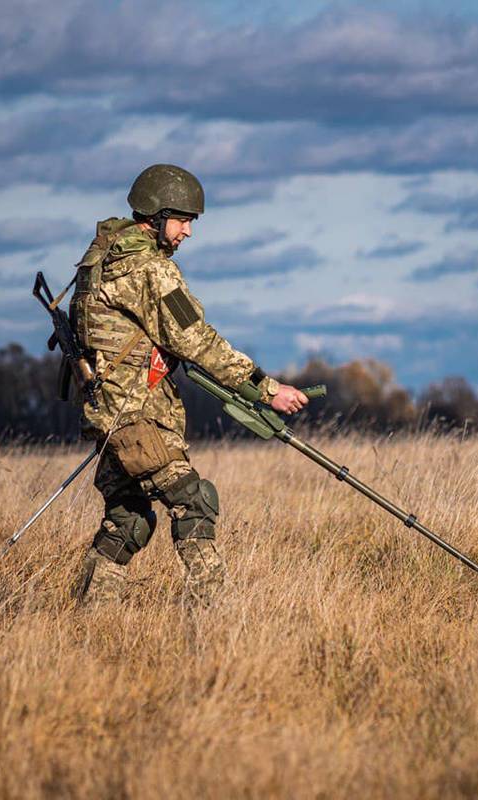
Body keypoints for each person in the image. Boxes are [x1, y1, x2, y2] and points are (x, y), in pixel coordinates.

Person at [70, 163, 308, 606]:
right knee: (194, 502)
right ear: (156, 216)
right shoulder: (148, 270)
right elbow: (194, 338)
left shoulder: (98, 260)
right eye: (182, 221)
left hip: (108, 417)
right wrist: (266, 388)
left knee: (128, 521)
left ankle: (87, 616)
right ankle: (214, 613)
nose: (188, 233)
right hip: (139, 417)